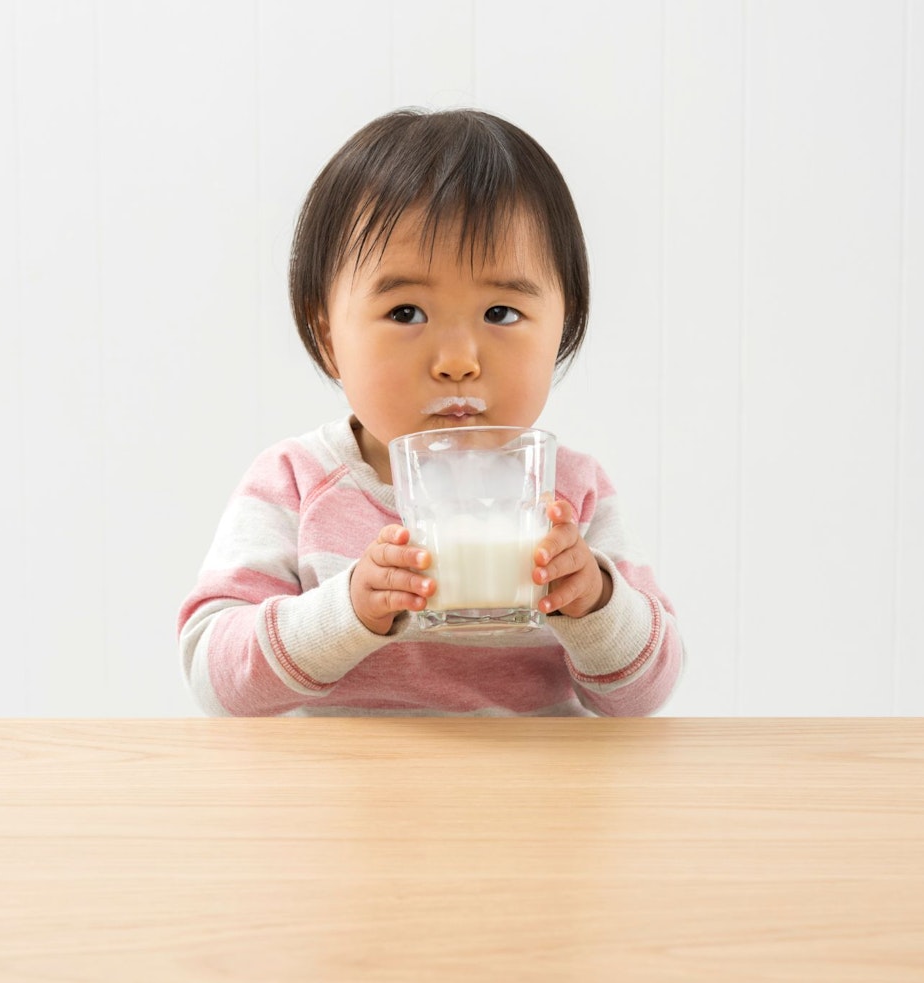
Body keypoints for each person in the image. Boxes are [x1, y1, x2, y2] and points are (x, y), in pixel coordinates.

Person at [177, 108, 684, 716]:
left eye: (501, 313)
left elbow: (645, 693)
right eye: (406, 313)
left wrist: (595, 602)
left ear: (563, 326)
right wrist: (350, 612)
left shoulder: (569, 493)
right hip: (352, 802)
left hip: (538, 801)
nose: (457, 361)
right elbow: (215, 677)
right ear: (328, 335)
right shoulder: (297, 482)